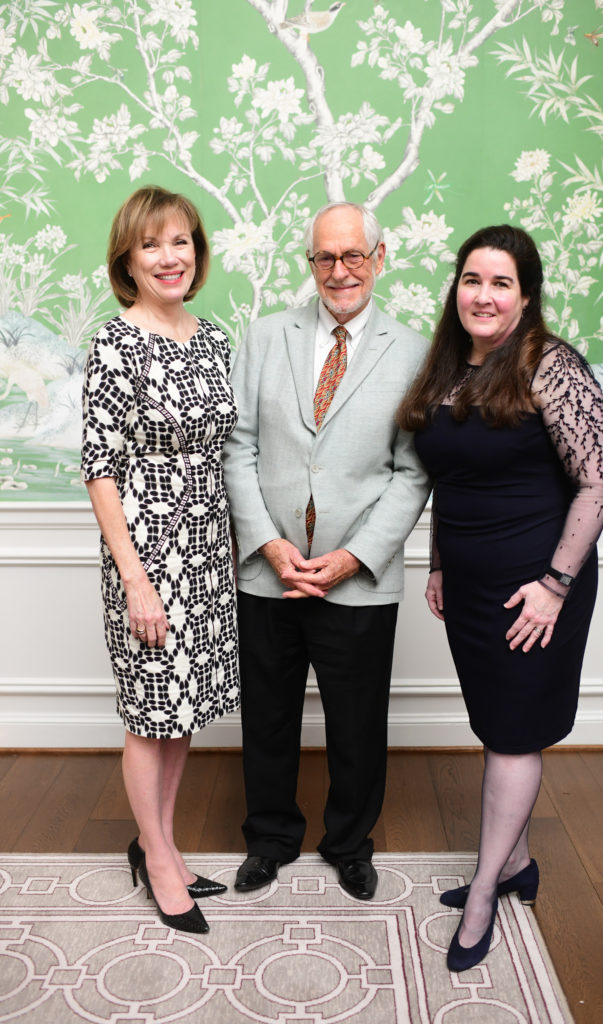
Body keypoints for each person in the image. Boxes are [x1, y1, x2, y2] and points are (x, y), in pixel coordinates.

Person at [398, 224, 603, 971]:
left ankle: (487, 889)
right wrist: (436, 564)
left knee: (514, 733)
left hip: (534, 585)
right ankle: (516, 862)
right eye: (471, 279)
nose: (482, 295)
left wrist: (554, 586)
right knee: (496, 724)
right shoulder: (446, 368)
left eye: (500, 283)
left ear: (525, 297)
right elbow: (446, 477)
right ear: (454, 288)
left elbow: (598, 480)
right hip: (468, 582)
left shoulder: (549, 366)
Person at [223, 201, 430, 901]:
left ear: (379, 255)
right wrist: (268, 543)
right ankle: (270, 840)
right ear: (309, 262)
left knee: (356, 723)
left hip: (357, 577)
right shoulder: (262, 338)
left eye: (352, 256)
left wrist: (352, 557)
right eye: (323, 257)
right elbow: (239, 448)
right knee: (269, 716)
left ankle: (348, 844)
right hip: (268, 570)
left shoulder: (415, 351)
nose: (338, 271)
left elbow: (413, 472)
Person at [81, 186, 240, 934]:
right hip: (146, 556)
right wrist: (135, 577)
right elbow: (100, 468)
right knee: (151, 714)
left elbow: (226, 451)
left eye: (179, 241)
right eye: (151, 245)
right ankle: (155, 855)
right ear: (128, 259)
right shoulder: (114, 343)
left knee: (182, 713)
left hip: (208, 552)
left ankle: (164, 846)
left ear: (196, 253)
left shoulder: (212, 338)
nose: (168, 257)